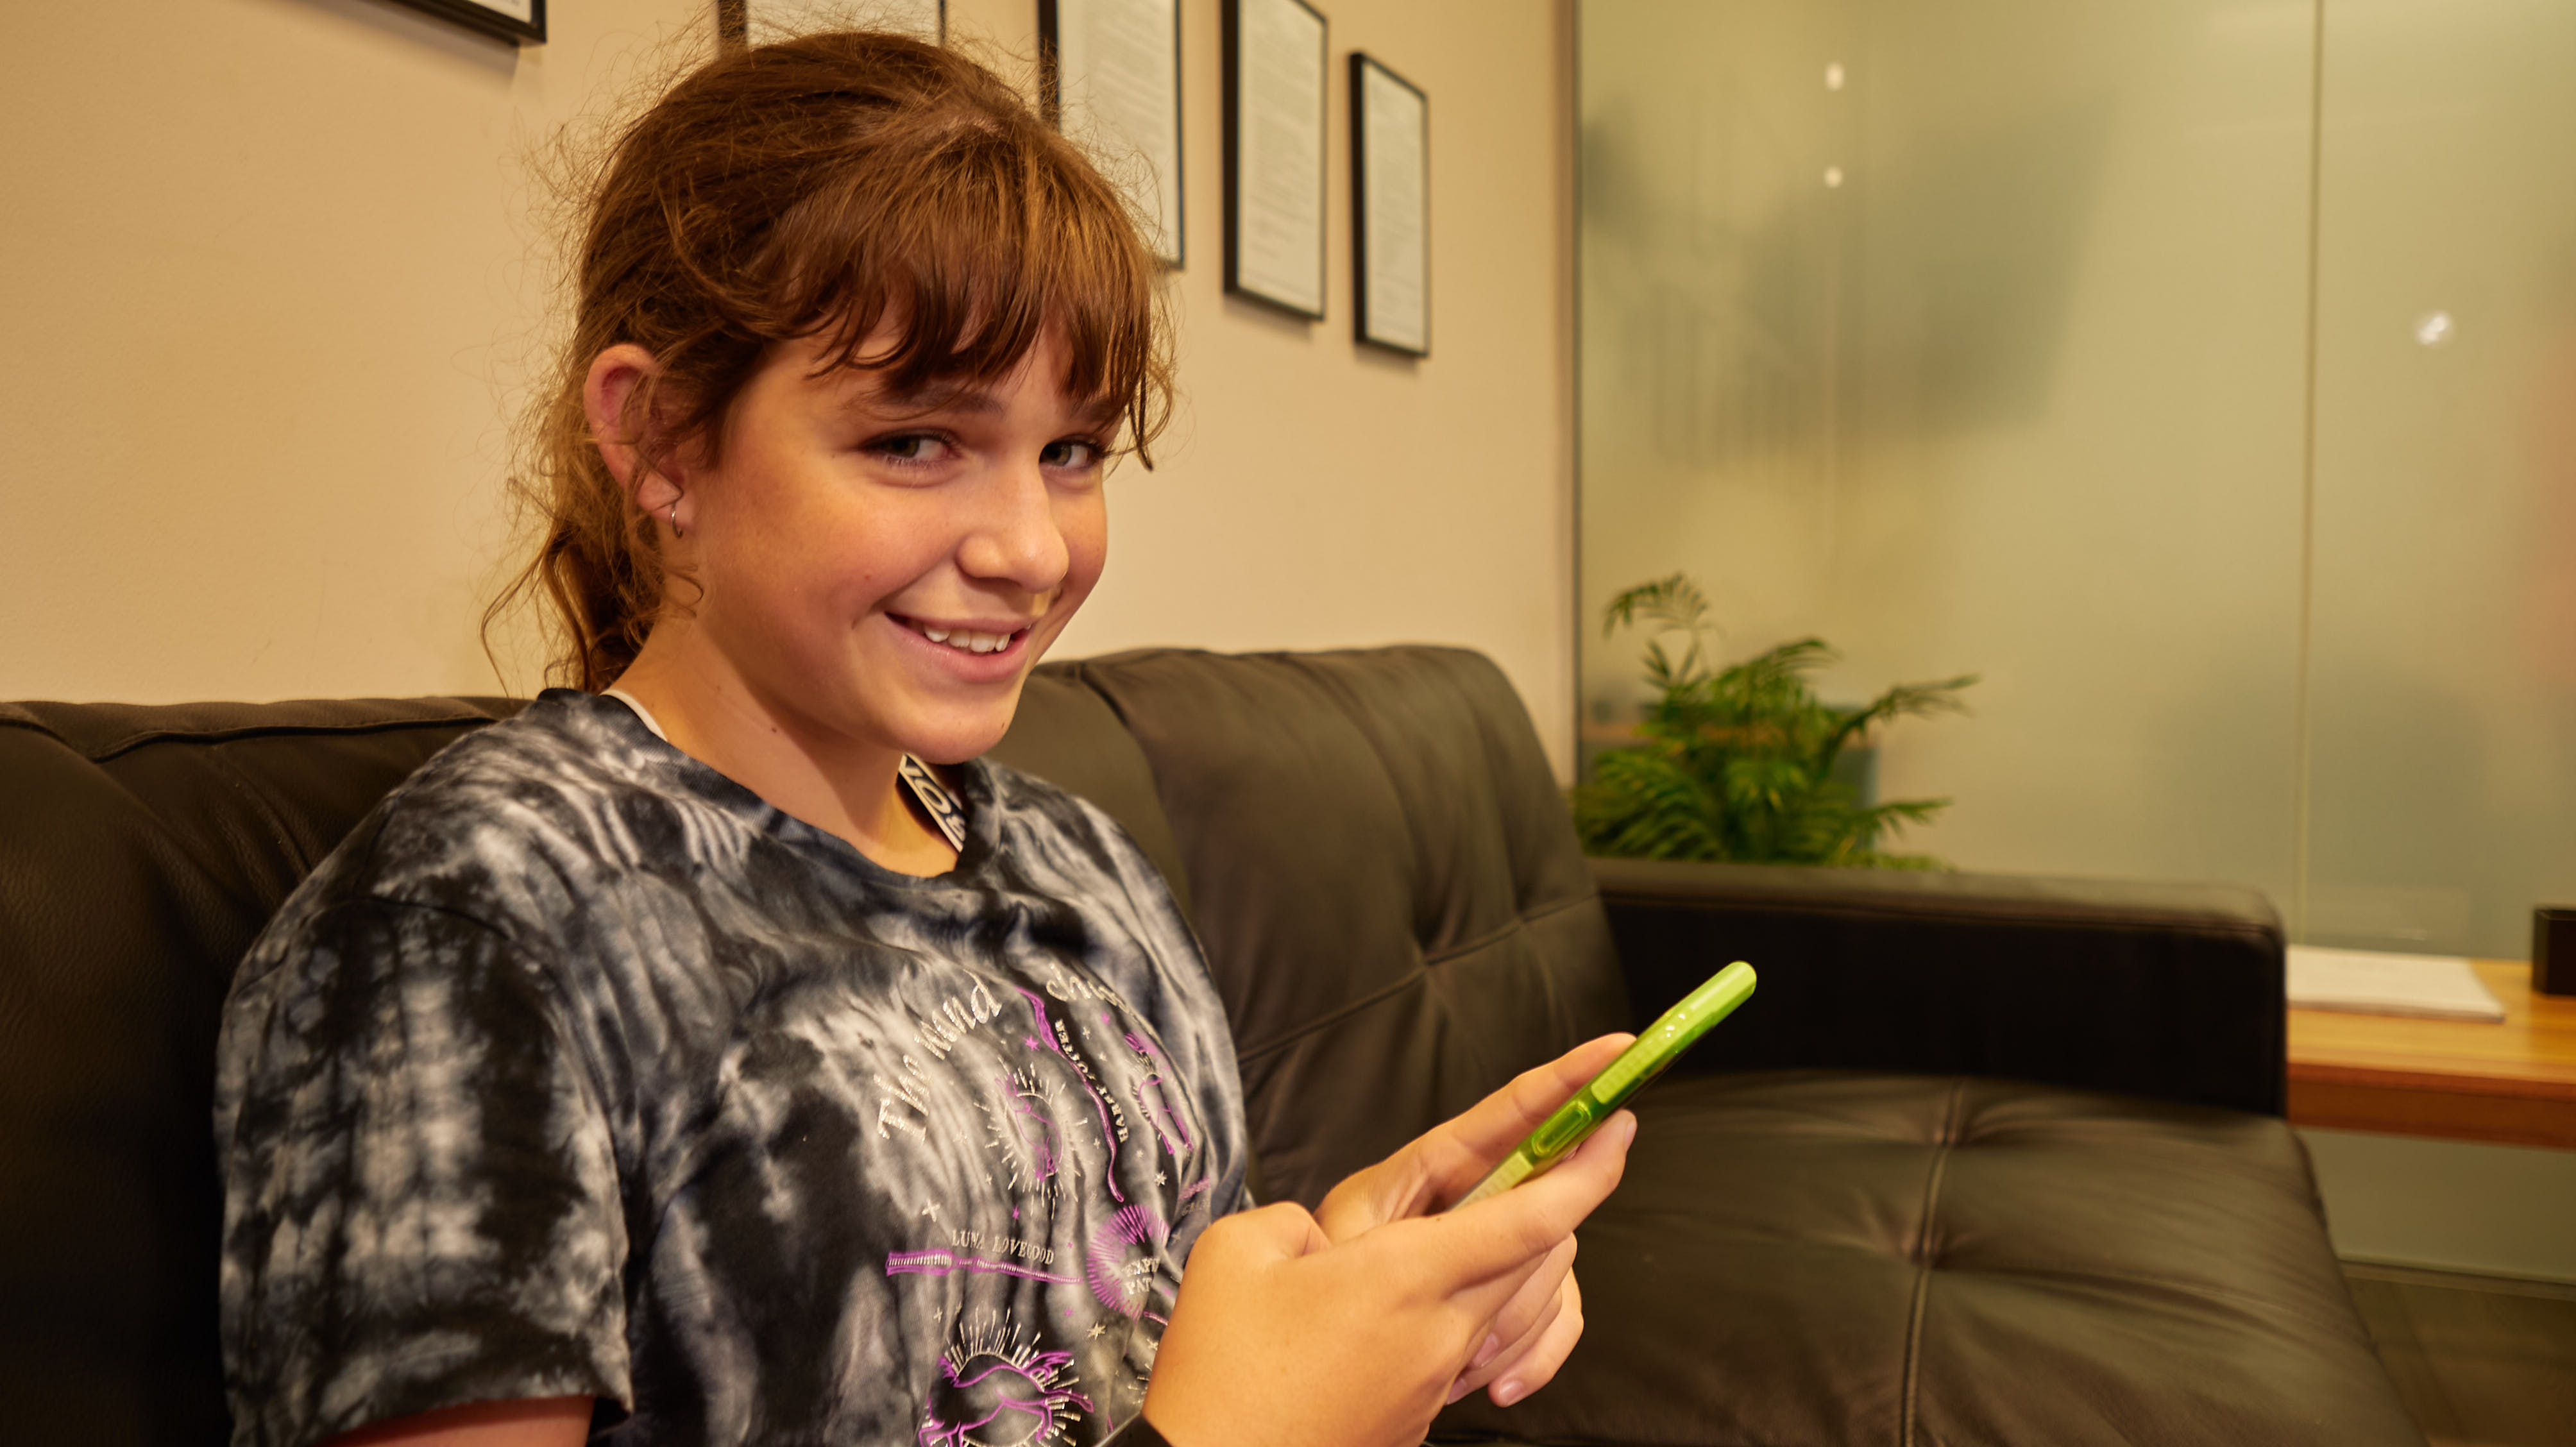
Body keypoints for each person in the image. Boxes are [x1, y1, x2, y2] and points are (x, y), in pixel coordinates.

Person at [212, 30, 1634, 1447]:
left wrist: (1370, 1305)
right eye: (914, 443)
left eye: (1070, 450)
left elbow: (1153, 1343)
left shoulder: (1079, 866)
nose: (1030, 548)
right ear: (656, 440)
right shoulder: (479, 922)